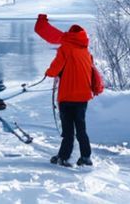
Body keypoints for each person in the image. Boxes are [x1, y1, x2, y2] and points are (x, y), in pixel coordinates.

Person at [46, 24, 103, 167]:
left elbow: (54, 70)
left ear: (69, 35)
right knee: (81, 129)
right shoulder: (86, 52)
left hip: (67, 96)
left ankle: (64, 157)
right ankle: (85, 157)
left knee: (68, 131)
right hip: (83, 97)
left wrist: (48, 72)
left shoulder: (65, 49)